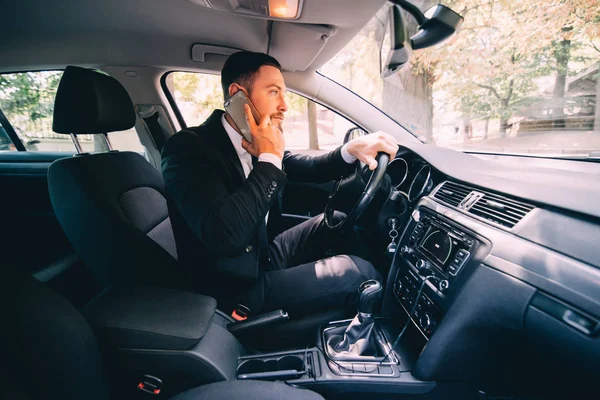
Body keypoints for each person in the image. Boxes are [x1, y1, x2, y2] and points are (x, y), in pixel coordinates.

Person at [161, 51, 398, 318]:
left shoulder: (255, 143)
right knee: (359, 274)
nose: (285, 105)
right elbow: (224, 236)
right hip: (234, 289)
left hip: (263, 258)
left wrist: (350, 150)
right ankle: (388, 322)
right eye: (274, 92)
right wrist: (270, 158)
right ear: (239, 95)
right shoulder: (187, 149)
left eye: (284, 94)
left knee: (336, 223)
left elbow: (307, 167)